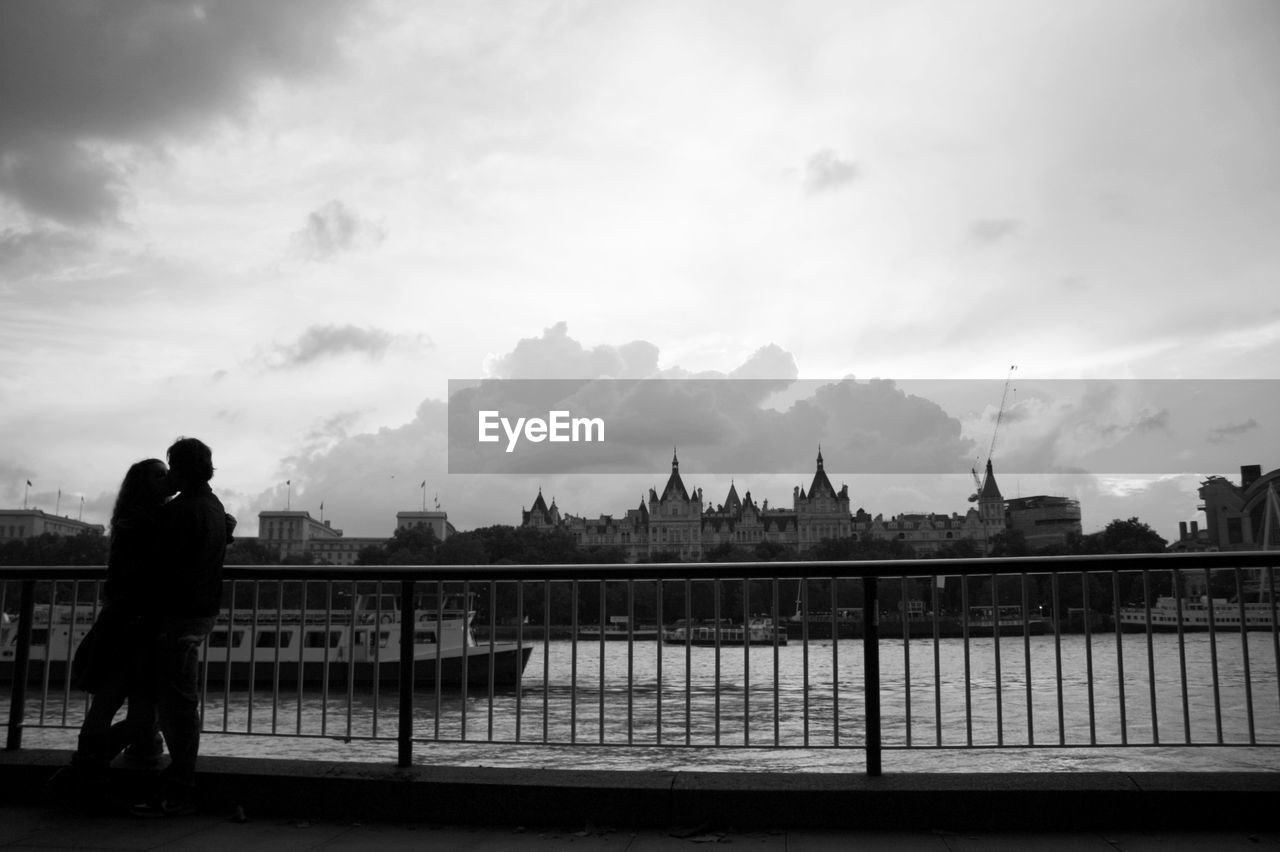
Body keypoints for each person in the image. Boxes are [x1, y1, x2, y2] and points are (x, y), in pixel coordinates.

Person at [48, 458, 174, 810]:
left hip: (120, 620)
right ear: (144, 484)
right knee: (140, 706)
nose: (165, 479)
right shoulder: (152, 521)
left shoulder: (129, 519)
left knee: (108, 699)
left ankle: (86, 768)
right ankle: (92, 764)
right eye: (159, 475)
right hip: (138, 624)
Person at [131, 436, 230, 818]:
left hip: (176, 614)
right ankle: (174, 776)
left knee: (175, 702)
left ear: (180, 470)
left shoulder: (180, 511)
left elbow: (155, 564)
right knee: (178, 698)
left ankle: (180, 783)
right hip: (200, 611)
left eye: (172, 468)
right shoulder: (213, 507)